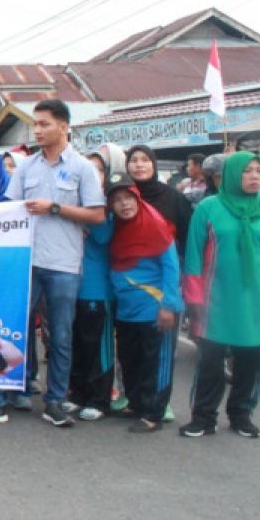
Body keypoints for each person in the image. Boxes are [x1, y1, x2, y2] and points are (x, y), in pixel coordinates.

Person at [0, 99, 106, 428]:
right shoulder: (27, 166)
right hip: (24, 263)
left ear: (63, 126)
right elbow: (11, 210)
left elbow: (97, 214)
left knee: (60, 336)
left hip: (63, 265)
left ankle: (55, 401)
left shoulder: (83, 168)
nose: (37, 130)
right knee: (7, 330)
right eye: (35, 124)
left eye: (43, 124)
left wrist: (55, 208)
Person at [181, 151, 260, 438]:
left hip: (257, 305)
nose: (254, 176)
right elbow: (193, 257)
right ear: (230, 174)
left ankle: (241, 415)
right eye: (247, 170)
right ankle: (203, 417)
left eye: (259, 171)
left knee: (252, 363)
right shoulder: (209, 209)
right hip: (216, 302)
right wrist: (194, 300)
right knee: (211, 363)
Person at [103, 176, 182, 433]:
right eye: (116, 200)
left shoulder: (156, 225)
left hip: (156, 309)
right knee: (131, 360)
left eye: (127, 198)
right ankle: (137, 405)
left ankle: (154, 413)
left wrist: (169, 305)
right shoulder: (116, 228)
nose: (124, 204)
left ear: (137, 197)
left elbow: (171, 267)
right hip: (127, 310)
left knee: (155, 363)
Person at [66, 143, 124, 421]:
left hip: (97, 289)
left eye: (98, 169)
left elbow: (102, 236)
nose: (91, 174)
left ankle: (99, 398)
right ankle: (77, 393)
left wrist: (81, 217)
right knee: (75, 342)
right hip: (70, 284)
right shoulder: (69, 201)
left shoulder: (107, 206)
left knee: (97, 345)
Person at [126, 145, 193, 255]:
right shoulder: (120, 196)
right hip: (127, 267)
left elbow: (187, 236)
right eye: (133, 160)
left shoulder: (173, 197)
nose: (139, 165)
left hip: (168, 265)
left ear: (153, 164)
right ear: (127, 166)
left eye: (145, 160)